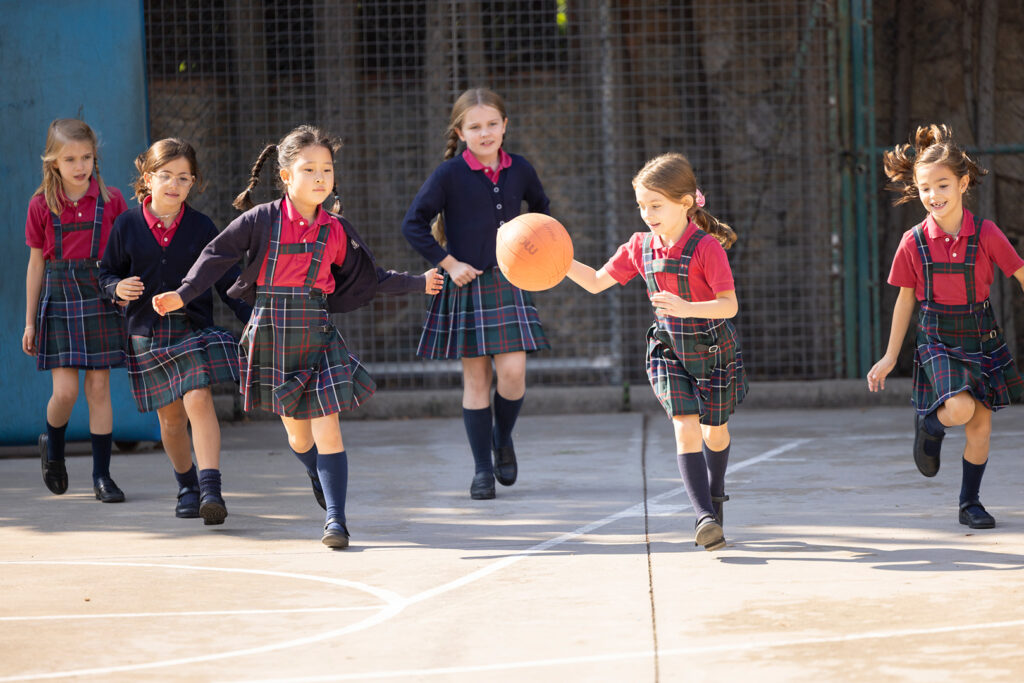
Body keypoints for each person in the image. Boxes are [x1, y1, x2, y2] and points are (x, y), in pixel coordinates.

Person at [152, 125, 443, 548]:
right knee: (299, 436)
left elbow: (370, 279)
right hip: (271, 335)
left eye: (327, 168)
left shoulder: (337, 230)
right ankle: (314, 470)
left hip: (318, 335)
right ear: (286, 176)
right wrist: (182, 295)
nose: (321, 177)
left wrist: (419, 283)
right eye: (309, 169)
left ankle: (336, 520)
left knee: (329, 430)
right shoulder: (261, 219)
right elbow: (216, 255)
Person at [565, 153, 746, 551]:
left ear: (685, 202)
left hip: (713, 346)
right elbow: (596, 282)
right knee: (686, 425)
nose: (647, 213)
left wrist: (687, 308)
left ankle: (715, 497)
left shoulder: (706, 248)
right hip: (668, 347)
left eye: (655, 205)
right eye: (641, 206)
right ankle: (703, 517)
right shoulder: (638, 246)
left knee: (715, 432)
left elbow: (729, 305)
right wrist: (557, 259)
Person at [867, 124, 1024, 530]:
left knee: (981, 427)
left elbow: (1020, 272)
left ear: (963, 182)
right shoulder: (912, 242)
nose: (933, 196)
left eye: (942, 185)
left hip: (982, 335)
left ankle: (969, 502)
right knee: (958, 408)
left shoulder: (986, 233)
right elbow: (904, 299)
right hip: (937, 337)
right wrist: (889, 356)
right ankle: (931, 425)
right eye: (924, 188)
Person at [401, 87, 551, 500]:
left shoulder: (520, 169)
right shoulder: (448, 174)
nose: (484, 133)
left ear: (505, 126)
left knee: (514, 373)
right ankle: (482, 470)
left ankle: (502, 437)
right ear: (461, 131)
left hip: (510, 283)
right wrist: (449, 264)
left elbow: (542, 211)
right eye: (475, 126)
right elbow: (413, 223)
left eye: (491, 124)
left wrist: (534, 252)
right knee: (476, 378)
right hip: (466, 285)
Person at [99, 138, 252, 525]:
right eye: (165, 175)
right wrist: (115, 288)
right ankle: (187, 484)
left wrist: (253, 317)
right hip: (148, 334)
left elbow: (227, 279)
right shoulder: (126, 225)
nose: (174, 184)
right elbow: (106, 273)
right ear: (148, 179)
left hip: (192, 329)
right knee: (170, 419)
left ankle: (211, 489)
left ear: (192, 183)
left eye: (183, 178)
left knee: (198, 397)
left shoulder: (202, 227)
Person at [23, 118, 129, 503]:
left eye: (86, 157)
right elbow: (36, 265)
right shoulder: (41, 205)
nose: (80, 166)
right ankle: (53, 450)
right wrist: (30, 321)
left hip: (99, 296)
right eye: (70, 159)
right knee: (65, 393)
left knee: (99, 387)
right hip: (61, 297)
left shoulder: (112, 199)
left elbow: (122, 256)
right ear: (53, 162)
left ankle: (102, 475)